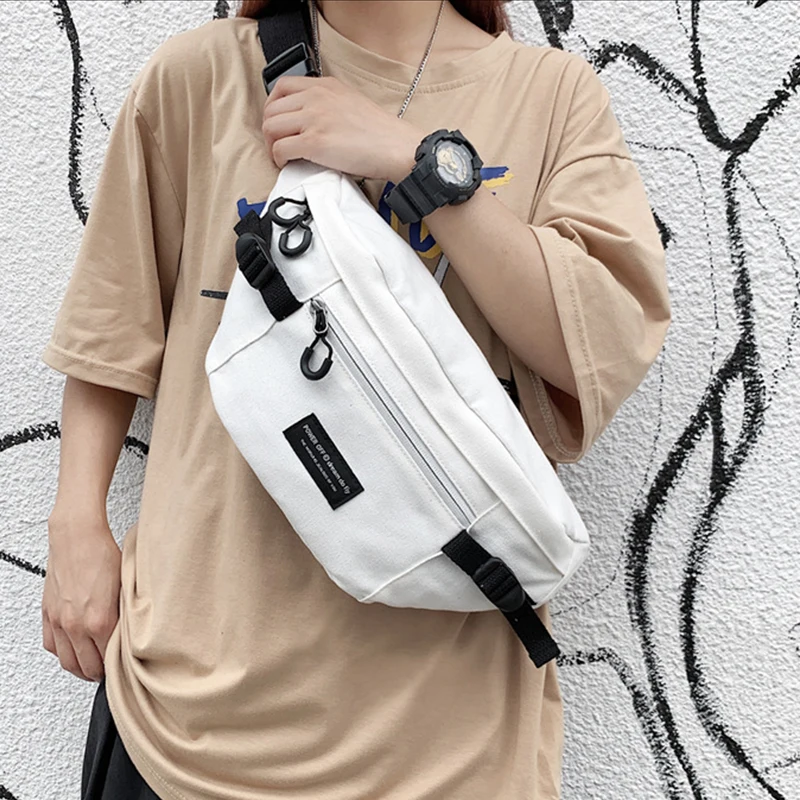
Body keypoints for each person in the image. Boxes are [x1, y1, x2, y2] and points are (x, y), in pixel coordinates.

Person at [40, 1, 671, 798]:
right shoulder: (196, 77)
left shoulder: (550, 95)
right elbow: (110, 333)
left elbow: (596, 349)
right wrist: (75, 525)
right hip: (184, 722)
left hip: (447, 747)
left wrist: (420, 164)